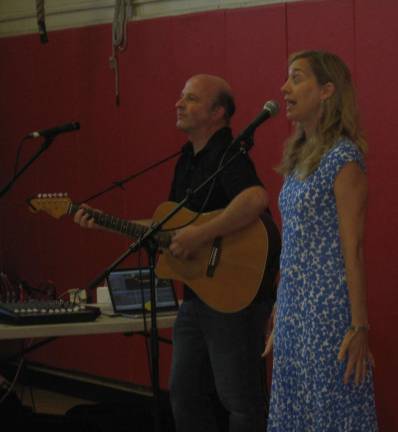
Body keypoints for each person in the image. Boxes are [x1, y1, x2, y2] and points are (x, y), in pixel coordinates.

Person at [74, 74, 281, 431]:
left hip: (234, 297)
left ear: (218, 113)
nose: (178, 104)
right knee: (183, 395)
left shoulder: (228, 156)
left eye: (191, 98)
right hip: (196, 296)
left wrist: (201, 234)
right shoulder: (187, 160)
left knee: (241, 401)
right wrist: (105, 222)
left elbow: (256, 199)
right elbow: (169, 229)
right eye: (181, 96)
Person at [263, 50, 378, 431]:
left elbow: (354, 249)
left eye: (296, 78)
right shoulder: (298, 158)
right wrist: (281, 310)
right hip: (295, 308)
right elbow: (294, 245)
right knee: (294, 412)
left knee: (330, 414)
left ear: (327, 90)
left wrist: (359, 327)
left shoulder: (343, 158)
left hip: (328, 313)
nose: (285, 88)